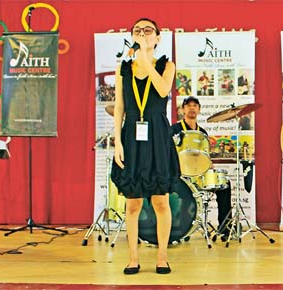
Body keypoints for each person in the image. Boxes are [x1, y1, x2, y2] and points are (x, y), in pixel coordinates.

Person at [110, 17, 178, 274]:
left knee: (161, 201)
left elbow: (162, 90)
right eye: (137, 30)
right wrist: (117, 140)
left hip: (157, 135)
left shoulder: (166, 65)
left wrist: (145, 59)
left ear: (158, 37)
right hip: (131, 137)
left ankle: (162, 256)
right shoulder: (123, 68)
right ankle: (133, 258)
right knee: (133, 203)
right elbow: (119, 106)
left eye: (148, 30)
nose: (142, 33)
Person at [170, 96, 233, 239]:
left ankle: (224, 228)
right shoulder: (174, 129)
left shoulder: (202, 132)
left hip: (198, 174)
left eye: (195, 105)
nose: (192, 108)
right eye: (188, 105)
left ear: (199, 110)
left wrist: (209, 165)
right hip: (181, 175)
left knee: (225, 185)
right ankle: (180, 229)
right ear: (183, 109)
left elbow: (205, 156)